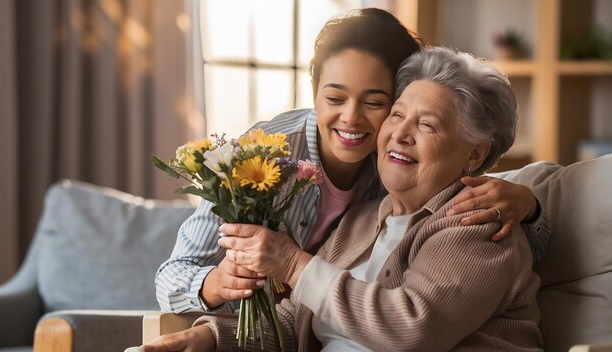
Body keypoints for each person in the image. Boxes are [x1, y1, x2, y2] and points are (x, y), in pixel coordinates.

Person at [137, 46, 543, 351]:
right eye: (398, 115)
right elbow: (296, 317)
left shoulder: (480, 224)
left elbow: (410, 327)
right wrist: (211, 337)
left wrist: (294, 263)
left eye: (427, 125)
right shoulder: (363, 218)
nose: (400, 134)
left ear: (474, 153)